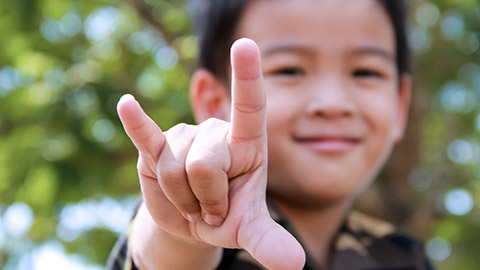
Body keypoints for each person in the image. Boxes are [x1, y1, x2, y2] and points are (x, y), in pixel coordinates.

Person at [108, 0, 435, 269]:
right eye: (289, 70)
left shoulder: (405, 256)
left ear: (400, 104)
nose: (333, 103)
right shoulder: (200, 220)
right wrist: (182, 236)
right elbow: (158, 251)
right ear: (214, 102)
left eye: (366, 72)